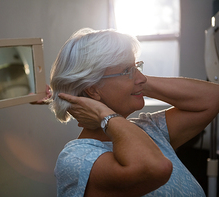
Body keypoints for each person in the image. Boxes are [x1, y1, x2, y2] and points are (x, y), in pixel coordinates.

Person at [49, 28, 219, 196]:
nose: (142, 78)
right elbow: (156, 168)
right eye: (127, 71)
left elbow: (213, 98)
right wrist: (106, 115)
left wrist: (134, 81)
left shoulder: (149, 130)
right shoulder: (76, 158)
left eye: (136, 66)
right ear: (93, 89)